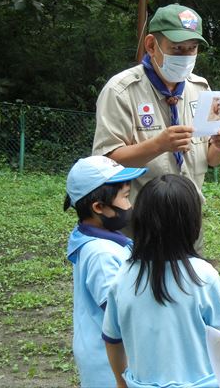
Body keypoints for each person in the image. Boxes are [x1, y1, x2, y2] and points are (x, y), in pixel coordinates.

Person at [92, 4, 220, 204]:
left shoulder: (201, 89)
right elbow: (107, 162)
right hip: (138, 217)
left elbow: (212, 160)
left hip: (188, 214)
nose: (186, 57)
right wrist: (158, 145)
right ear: (151, 45)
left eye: (192, 48)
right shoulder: (121, 91)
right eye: (177, 48)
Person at [102, 174, 220, 388]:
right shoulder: (204, 275)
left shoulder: (123, 274)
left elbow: (112, 339)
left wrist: (120, 382)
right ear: (192, 222)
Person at [64, 155, 147, 387]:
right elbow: (121, 314)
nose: (130, 205)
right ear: (99, 207)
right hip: (110, 367)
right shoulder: (102, 255)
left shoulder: (95, 236)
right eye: (125, 197)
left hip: (106, 358)